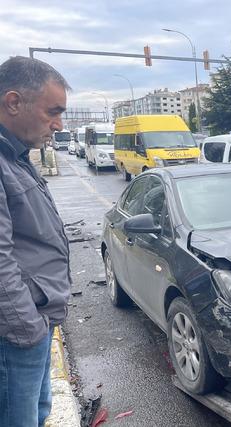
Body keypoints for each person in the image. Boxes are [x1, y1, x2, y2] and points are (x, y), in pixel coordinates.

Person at [0, 56, 70, 426]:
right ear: (14, 102)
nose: (58, 125)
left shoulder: (15, 156)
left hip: (34, 320)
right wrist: (27, 328)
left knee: (37, 414)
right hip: (18, 332)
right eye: (52, 112)